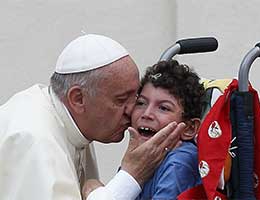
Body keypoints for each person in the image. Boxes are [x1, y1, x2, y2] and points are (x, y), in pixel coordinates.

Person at [0, 34, 185, 200]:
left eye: (135, 97)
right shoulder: (33, 140)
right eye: (121, 100)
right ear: (78, 99)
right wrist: (130, 176)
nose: (133, 110)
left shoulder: (70, 121)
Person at [132, 60, 204, 199]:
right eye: (141, 103)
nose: (146, 114)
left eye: (163, 108)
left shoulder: (179, 163)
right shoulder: (140, 155)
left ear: (189, 128)